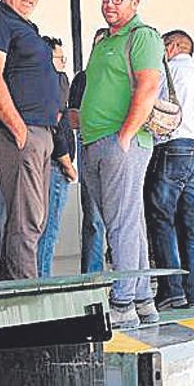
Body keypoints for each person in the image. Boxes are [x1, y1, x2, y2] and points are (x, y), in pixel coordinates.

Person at [79, 0, 164, 328]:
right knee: (128, 223)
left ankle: (123, 303)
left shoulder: (142, 37)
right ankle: (143, 300)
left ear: (135, 3)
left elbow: (148, 86)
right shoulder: (103, 41)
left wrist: (126, 136)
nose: (110, 4)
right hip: (95, 142)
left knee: (121, 225)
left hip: (120, 142)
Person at [0, 0, 59, 281]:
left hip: (38, 132)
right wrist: (20, 130)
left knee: (32, 219)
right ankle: (28, 299)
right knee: (27, 219)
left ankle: (10, 291)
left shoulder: (26, 27)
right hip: (16, 133)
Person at [145, 29, 194, 310]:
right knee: (191, 221)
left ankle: (170, 289)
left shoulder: (167, 72)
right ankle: (192, 291)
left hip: (173, 147)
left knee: (162, 217)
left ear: (174, 46)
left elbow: (151, 106)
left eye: (164, 45)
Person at [69, 28, 109, 274]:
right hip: (91, 148)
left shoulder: (126, 78)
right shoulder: (82, 79)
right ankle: (93, 276)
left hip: (123, 152)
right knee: (94, 218)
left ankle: (130, 276)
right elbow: (73, 118)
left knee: (126, 218)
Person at [39, 37, 78, 278]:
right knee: (49, 226)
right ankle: (42, 280)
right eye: (60, 59)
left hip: (45, 164)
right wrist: (67, 164)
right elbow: (57, 127)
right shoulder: (56, 83)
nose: (64, 64)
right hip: (55, 166)